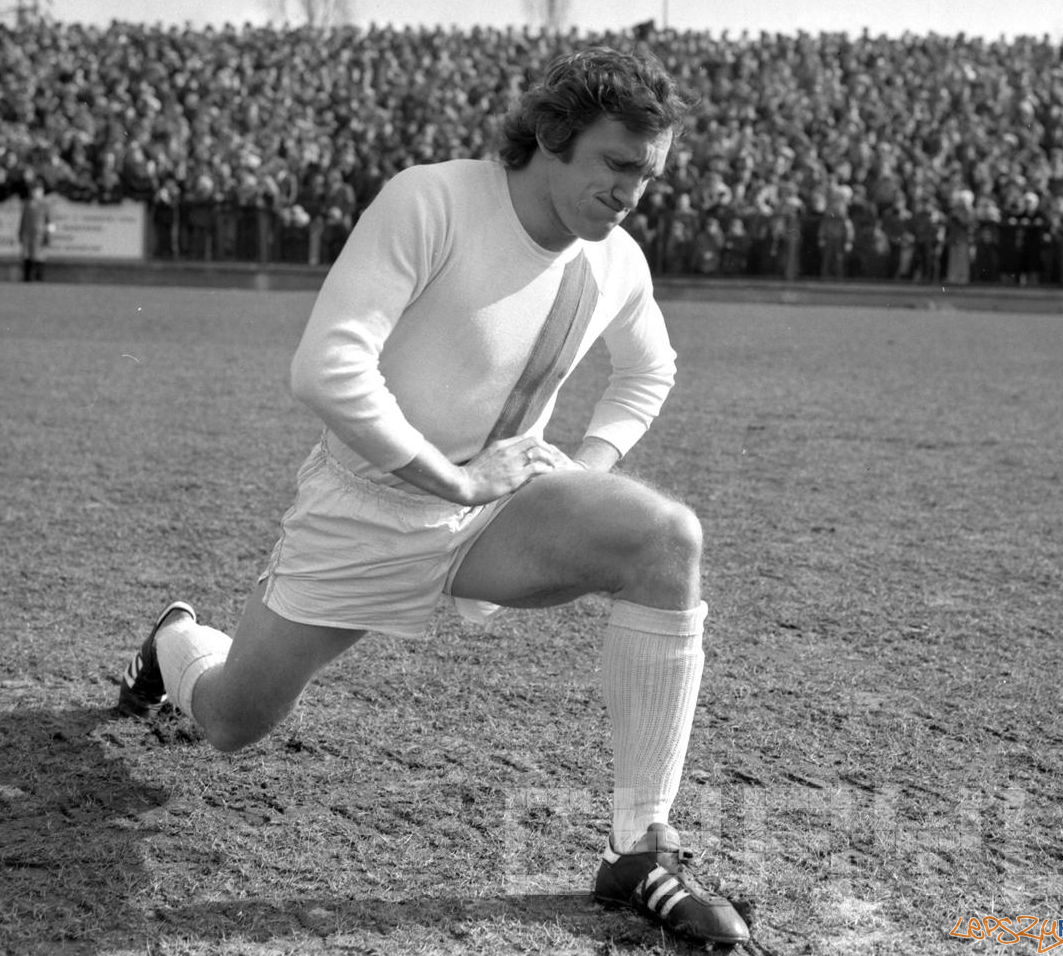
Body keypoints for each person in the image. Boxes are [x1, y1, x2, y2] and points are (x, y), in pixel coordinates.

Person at [116, 47, 750, 949]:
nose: (631, 193)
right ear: (551, 138)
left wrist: (582, 466)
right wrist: (453, 478)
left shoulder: (615, 262)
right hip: (363, 509)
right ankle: (174, 639)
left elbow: (650, 371)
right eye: (616, 164)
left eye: (648, 174)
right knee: (230, 722)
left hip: (493, 516)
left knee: (664, 541)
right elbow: (327, 367)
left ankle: (639, 846)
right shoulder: (434, 200)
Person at [18, 179, 53, 282]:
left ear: (41, 191)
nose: (34, 192)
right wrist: (20, 232)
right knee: (27, 256)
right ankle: (26, 278)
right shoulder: (27, 204)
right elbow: (23, 220)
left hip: (40, 235)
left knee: (39, 257)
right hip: (27, 235)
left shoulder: (45, 204)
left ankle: (39, 278)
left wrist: (48, 235)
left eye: (37, 190)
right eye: (33, 190)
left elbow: (50, 222)